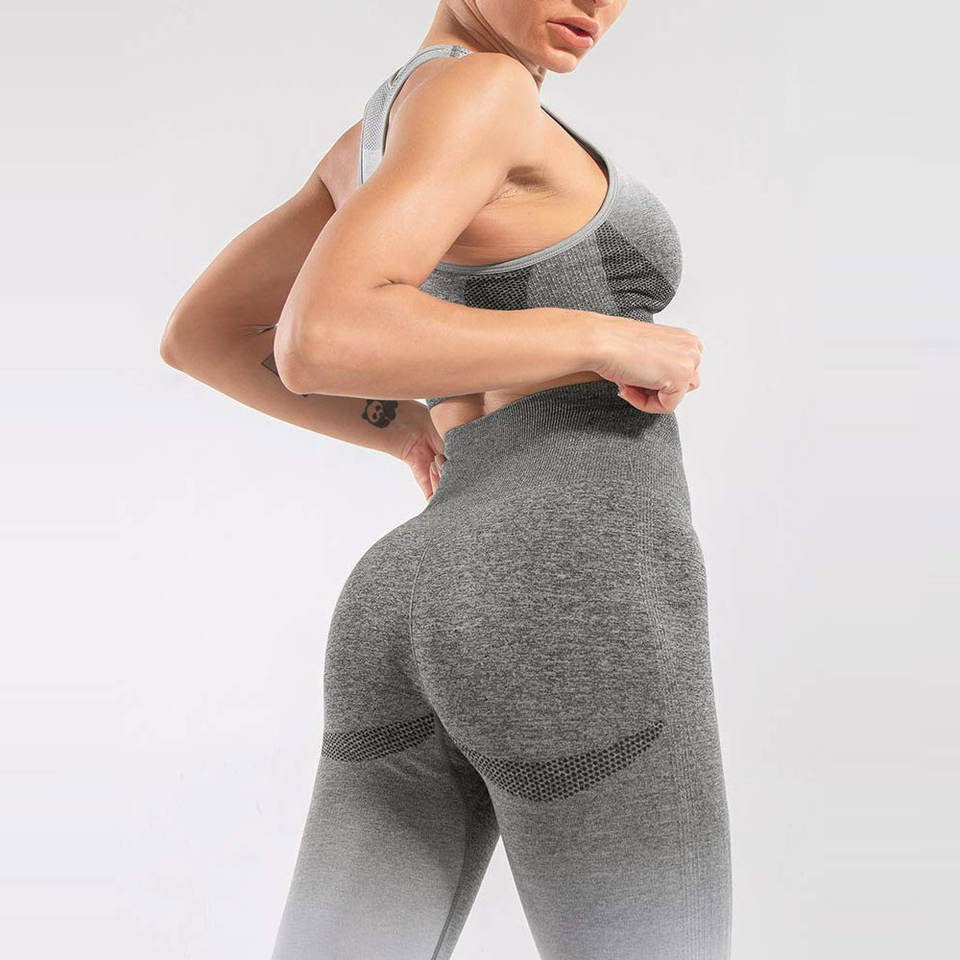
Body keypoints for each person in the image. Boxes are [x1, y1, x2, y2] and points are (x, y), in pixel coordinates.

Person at [160, 2, 731, 958]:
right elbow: (319, 336)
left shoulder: (373, 137)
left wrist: (407, 434)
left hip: (409, 593)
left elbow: (203, 337)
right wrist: (598, 336)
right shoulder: (485, 89)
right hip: (569, 580)